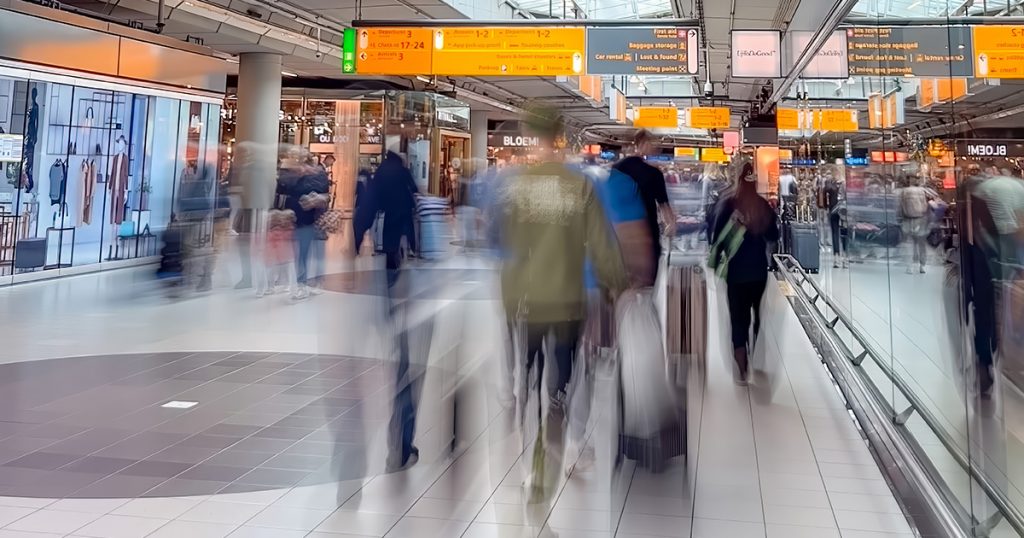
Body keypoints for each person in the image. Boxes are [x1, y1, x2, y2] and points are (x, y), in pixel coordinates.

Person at [496, 106, 627, 501]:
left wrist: (508, 299)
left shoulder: (516, 187)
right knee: (559, 387)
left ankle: (527, 459)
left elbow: (510, 248)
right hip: (568, 301)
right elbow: (602, 247)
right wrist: (615, 284)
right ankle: (548, 454)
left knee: (528, 378)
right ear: (559, 137)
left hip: (526, 301)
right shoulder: (579, 187)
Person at [353, 150, 422, 471]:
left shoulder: (379, 179)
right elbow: (414, 212)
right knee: (406, 366)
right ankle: (401, 442)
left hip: (385, 261)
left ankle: (395, 442)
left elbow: (363, 214)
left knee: (398, 357)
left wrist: (356, 246)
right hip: (407, 269)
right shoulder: (405, 182)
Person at [711, 161, 780, 385]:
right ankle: (754, 350)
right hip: (758, 272)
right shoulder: (762, 205)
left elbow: (717, 239)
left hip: (735, 273)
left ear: (738, 179)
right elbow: (773, 236)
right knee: (757, 316)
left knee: (738, 318)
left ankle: (741, 365)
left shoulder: (728, 204)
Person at [613, 130, 676, 271]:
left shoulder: (616, 168)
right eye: (652, 143)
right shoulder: (654, 173)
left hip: (619, 231)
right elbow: (664, 206)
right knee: (647, 279)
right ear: (644, 144)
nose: (655, 147)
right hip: (646, 232)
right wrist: (671, 225)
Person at [276, 151, 330, 300]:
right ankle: (303, 283)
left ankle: (310, 283)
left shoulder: (316, 176)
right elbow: (284, 191)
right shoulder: (294, 177)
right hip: (299, 220)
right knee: (302, 254)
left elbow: (324, 194)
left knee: (309, 254)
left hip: (312, 220)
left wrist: (313, 199)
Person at [899, 176, 932, 274]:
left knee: (909, 243)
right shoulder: (922, 190)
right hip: (920, 219)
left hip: (907, 219)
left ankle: (909, 266)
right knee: (921, 244)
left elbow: (901, 206)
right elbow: (927, 205)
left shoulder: (904, 191)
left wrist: (900, 218)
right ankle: (922, 266)